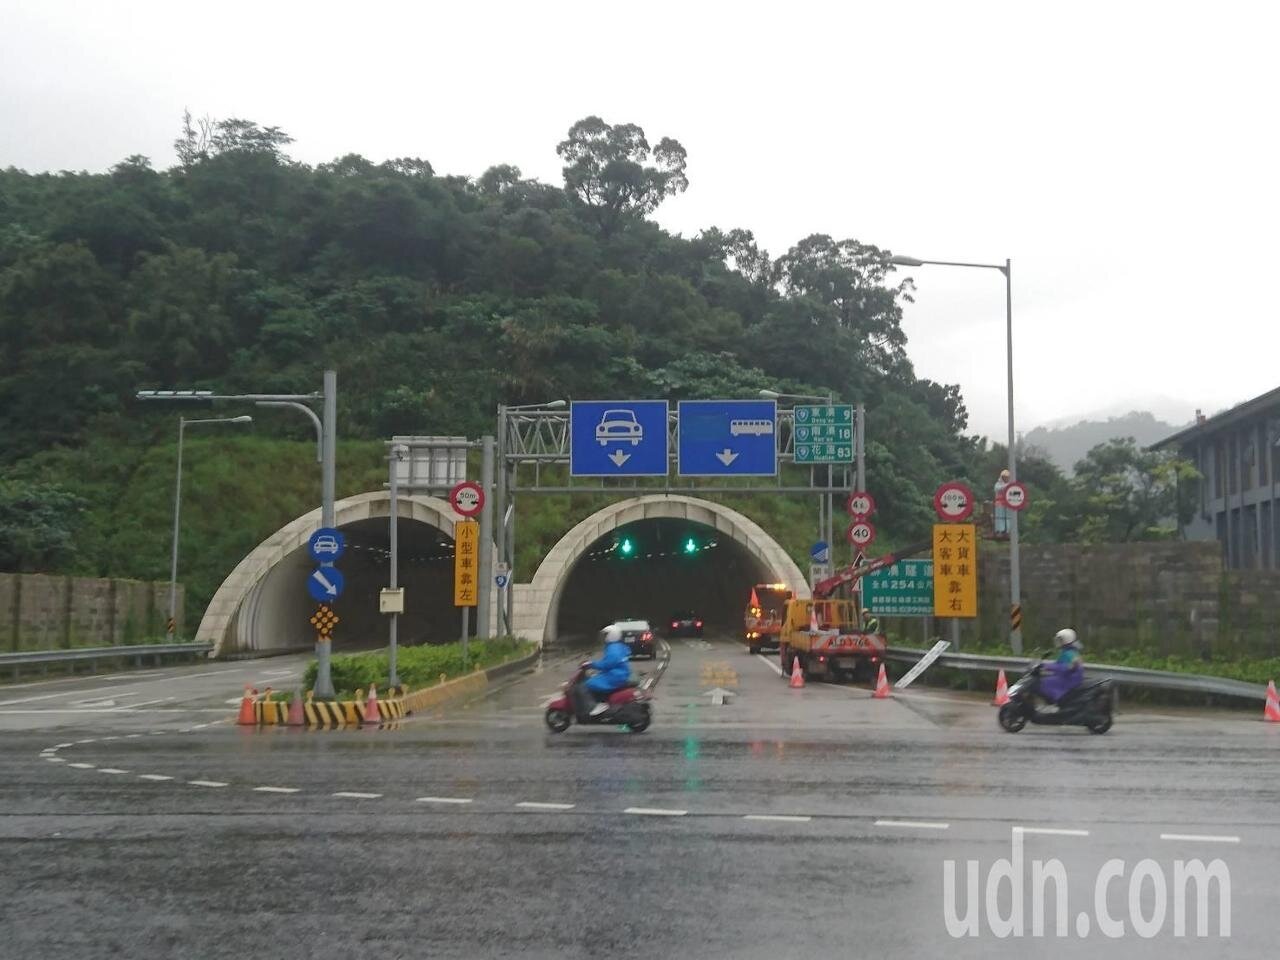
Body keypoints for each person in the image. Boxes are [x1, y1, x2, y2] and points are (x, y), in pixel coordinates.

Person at [583, 625, 632, 716]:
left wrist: (591, 664)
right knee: (595, 678)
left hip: (615, 676)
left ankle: (601, 703)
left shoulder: (613, 648)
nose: (604, 637)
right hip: (619, 673)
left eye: (606, 635)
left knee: (590, 683)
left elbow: (607, 664)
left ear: (612, 635)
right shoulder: (617, 646)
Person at [1038, 628, 1084, 704]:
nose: (1057, 642)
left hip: (1069, 679)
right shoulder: (1067, 651)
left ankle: (1054, 703)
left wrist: (1047, 667)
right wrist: (1045, 665)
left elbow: (1064, 667)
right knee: (1047, 679)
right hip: (1068, 677)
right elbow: (1059, 665)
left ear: (1066, 640)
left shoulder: (1069, 653)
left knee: (1044, 682)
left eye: (1060, 640)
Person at [993, 468, 1011, 537]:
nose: (1006, 478)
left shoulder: (1011, 484)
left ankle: (1008, 531)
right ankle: (1000, 531)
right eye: (1004, 477)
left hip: (1008, 503)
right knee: (1000, 517)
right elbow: (998, 489)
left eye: (1007, 477)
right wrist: (1006, 485)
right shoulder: (998, 484)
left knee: (1009, 517)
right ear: (1002, 477)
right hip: (999, 503)